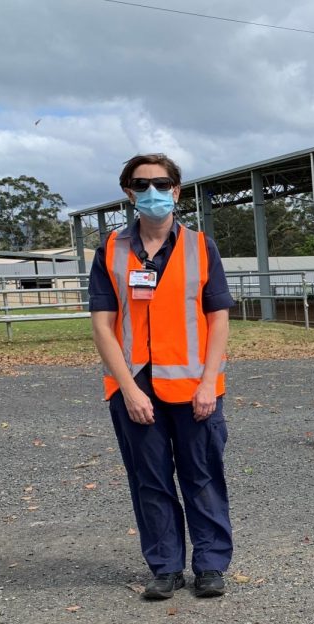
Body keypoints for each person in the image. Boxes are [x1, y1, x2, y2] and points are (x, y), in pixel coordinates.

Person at [89, 153, 236, 601]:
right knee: (150, 479)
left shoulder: (199, 246)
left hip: (195, 385)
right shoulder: (110, 250)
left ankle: (210, 564)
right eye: (140, 184)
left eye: (160, 183)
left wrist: (209, 381)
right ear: (128, 192)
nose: (151, 191)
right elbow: (102, 324)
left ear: (176, 190)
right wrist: (129, 389)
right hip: (135, 386)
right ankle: (165, 567)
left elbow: (219, 318)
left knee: (203, 475)